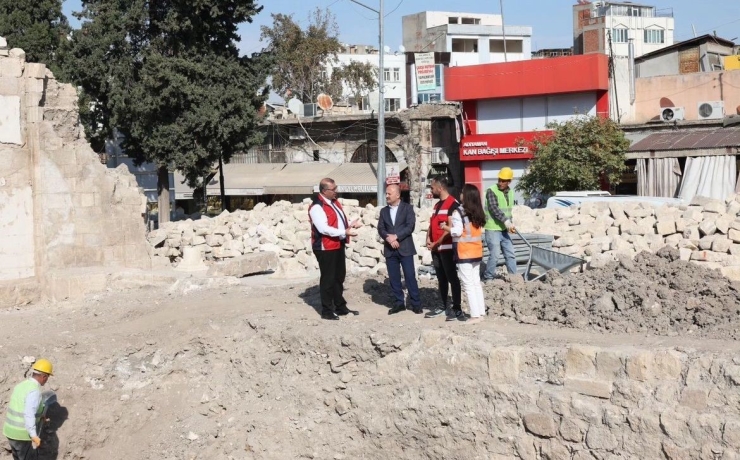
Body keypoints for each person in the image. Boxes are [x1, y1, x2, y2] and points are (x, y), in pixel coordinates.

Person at [309, 178, 362, 320]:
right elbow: (323, 228)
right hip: (325, 247)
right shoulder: (317, 207)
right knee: (328, 278)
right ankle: (327, 310)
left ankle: (340, 306)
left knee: (339, 276)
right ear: (324, 191)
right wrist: (344, 232)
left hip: (337, 244)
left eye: (336, 188)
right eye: (333, 189)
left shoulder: (334, 203)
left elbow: (337, 223)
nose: (336, 191)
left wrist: (350, 224)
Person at [442, 184, 486, 323]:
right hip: (476, 251)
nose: (460, 194)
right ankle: (480, 312)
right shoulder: (477, 212)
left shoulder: (458, 212)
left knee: (468, 284)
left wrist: (445, 227)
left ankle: (474, 315)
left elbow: (457, 231)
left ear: (465, 196)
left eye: (461, 192)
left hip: (464, 252)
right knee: (476, 283)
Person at [424, 176, 465, 321]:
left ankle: (457, 308)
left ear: (440, 188)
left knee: (452, 278)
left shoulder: (452, 204)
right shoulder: (437, 205)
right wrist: (428, 239)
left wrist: (437, 242)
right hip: (436, 249)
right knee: (441, 278)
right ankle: (443, 306)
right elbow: (432, 224)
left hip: (446, 248)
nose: (431, 189)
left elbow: (451, 229)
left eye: (432, 187)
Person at [378, 184, 422, 315]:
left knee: (409, 276)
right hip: (390, 249)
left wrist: (396, 237)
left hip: (405, 248)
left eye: (389, 194)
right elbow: (381, 228)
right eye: (386, 193)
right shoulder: (384, 211)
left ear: (397, 195)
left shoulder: (408, 208)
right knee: (394, 278)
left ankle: (416, 303)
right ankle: (399, 303)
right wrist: (389, 238)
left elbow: (410, 226)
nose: (386, 196)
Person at [3, 359, 54, 460]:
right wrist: (33, 435)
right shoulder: (34, 390)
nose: (46, 380)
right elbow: (29, 414)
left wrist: (40, 416)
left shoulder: (22, 385)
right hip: (21, 434)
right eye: (47, 377)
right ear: (44, 376)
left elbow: (21, 406)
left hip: (10, 432)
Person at [483, 167, 518, 281]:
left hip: (503, 229)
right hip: (492, 229)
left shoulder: (511, 192)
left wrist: (510, 223)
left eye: (503, 181)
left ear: (509, 182)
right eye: (499, 179)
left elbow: (508, 210)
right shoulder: (491, 190)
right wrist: (506, 221)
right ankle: (488, 277)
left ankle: (514, 278)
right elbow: (494, 208)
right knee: (495, 255)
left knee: (510, 254)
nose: (500, 182)